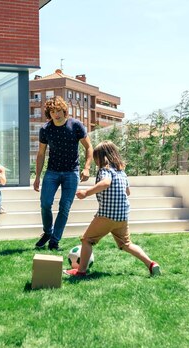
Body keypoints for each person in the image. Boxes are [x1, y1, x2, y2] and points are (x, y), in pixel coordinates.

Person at [63, 140, 161, 277]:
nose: (96, 162)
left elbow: (106, 183)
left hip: (107, 215)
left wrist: (86, 193)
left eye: (96, 158)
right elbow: (128, 192)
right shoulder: (122, 173)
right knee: (126, 244)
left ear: (103, 158)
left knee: (87, 240)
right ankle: (151, 264)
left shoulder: (105, 171)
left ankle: (81, 271)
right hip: (122, 216)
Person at [34, 96, 93, 250]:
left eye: (59, 110)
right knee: (45, 203)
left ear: (64, 111)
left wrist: (86, 167)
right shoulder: (45, 129)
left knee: (64, 207)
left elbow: (89, 147)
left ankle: (54, 241)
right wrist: (37, 176)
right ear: (49, 113)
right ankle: (48, 232)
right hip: (52, 172)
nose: (56, 114)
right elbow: (41, 154)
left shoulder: (76, 125)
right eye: (53, 111)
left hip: (71, 173)